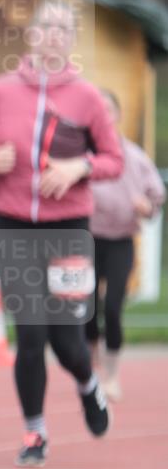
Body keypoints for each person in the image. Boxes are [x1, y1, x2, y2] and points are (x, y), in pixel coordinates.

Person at [0, 0, 123, 466]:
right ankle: (35, 432)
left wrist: (77, 167)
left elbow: (114, 160)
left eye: (62, 29)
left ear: (71, 41)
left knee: (67, 342)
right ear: (30, 35)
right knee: (30, 334)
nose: (53, 34)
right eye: (46, 26)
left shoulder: (87, 97)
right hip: (12, 226)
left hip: (69, 228)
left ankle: (88, 383)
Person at [85, 89, 165, 400]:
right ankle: (90, 364)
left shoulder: (135, 157)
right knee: (87, 308)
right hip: (87, 240)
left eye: (109, 109)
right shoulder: (82, 157)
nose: (104, 115)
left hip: (120, 241)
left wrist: (147, 206)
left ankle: (112, 374)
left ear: (117, 115)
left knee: (113, 307)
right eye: (98, 110)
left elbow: (156, 197)